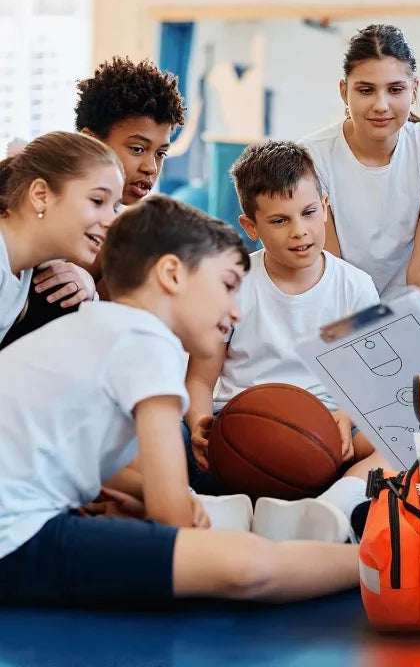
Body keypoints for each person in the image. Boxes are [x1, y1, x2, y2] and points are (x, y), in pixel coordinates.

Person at [0, 195, 358, 607]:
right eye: (226, 286)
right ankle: (385, 561)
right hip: (15, 538)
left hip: (18, 523)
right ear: (171, 274)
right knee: (246, 567)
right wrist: (172, 506)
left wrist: (156, 497)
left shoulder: (97, 327)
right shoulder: (148, 340)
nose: (235, 311)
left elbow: (88, 461)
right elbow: (172, 519)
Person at [184, 141, 386, 542]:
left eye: (309, 213)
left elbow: (367, 388)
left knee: (406, 437)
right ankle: (215, 506)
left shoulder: (355, 287)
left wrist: (345, 419)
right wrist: (197, 427)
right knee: (158, 432)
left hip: (329, 434)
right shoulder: (234, 283)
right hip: (243, 431)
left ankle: (333, 505)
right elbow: (200, 380)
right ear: (251, 227)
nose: (300, 231)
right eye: (279, 221)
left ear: (325, 206)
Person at [1, 56, 184, 348]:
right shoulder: (34, 223)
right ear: (91, 140)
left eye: (160, 153)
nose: (151, 166)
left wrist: (90, 291)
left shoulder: (129, 242)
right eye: (138, 148)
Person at [303, 24, 420, 308]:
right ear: (344, 92)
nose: (381, 105)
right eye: (366, 90)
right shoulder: (313, 156)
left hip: (404, 312)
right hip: (334, 311)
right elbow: (331, 270)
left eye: (395, 89)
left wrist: (416, 341)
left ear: (414, 89)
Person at [0, 132, 123, 342]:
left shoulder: (23, 271)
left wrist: (89, 290)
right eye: (97, 200)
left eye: (115, 207)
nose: (111, 221)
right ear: (41, 195)